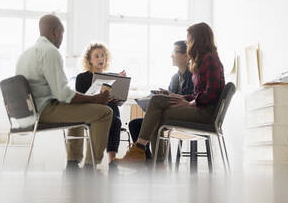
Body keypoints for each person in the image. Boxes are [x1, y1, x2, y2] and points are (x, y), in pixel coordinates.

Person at [117, 22, 225, 165]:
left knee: (157, 110)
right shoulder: (203, 61)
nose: (187, 41)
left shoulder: (210, 60)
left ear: (198, 39)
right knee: (157, 107)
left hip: (206, 113)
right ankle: (153, 161)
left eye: (189, 37)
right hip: (200, 109)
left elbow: (211, 94)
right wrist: (180, 97)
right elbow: (199, 94)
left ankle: (144, 154)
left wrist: (190, 103)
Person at [15, 14, 113, 171]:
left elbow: (62, 95)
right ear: (56, 31)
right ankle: (90, 166)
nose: (62, 38)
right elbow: (63, 95)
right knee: (105, 112)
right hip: (42, 111)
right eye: (62, 33)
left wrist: (86, 99)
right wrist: (95, 98)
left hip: (26, 113)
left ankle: (73, 163)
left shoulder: (25, 54)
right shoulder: (50, 52)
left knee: (78, 109)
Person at [128, 40, 194, 160]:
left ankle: (158, 162)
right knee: (134, 124)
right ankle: (147, 161)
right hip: (170, 113)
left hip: (183, 114)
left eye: (175, 51)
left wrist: (170, 95)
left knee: (155, 122)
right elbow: (167, 99)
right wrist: (162, 95)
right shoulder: (175, 78)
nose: (171, 55)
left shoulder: (194, 75)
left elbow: (192, 98)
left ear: (187, 55)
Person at [73, 43, 126, 171]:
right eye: (96, 56)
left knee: (114, 113)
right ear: (89, 60)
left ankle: (112, 161)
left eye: (103, 56)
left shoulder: (112, 77)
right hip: (90, 113)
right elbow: (81, 100)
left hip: (109, 112)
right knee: (112, 112)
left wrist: (117, 94)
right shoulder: (82, 78)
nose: (101, 59)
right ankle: (105, 161)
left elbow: (120, 101)